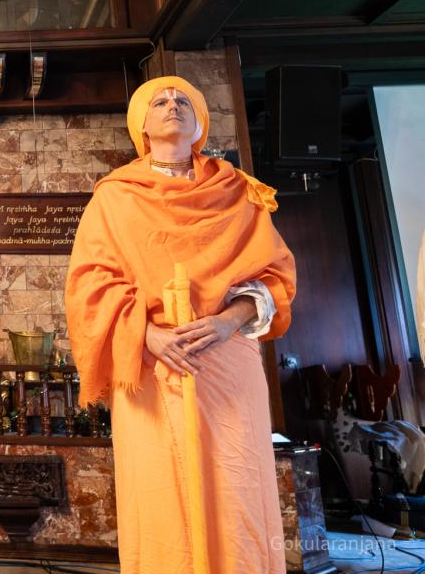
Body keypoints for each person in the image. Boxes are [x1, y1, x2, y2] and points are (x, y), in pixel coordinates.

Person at [64, 76, 297, 574]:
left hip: (226, 362)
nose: (173, 106)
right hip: (151, 365)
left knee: (237, 490)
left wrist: (226, 323)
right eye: (160, 101)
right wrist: (148, 335)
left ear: (199, 123)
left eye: (183, 100)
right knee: (160, 495)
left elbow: (274, 277)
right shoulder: (115, 197)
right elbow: (89, 284)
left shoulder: (237, 191)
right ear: (141, 125)